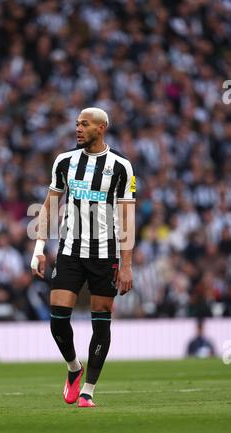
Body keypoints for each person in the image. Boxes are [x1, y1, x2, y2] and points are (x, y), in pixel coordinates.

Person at [31, 107, 136, 407]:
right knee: (58, 319)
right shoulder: (64, 162)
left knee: (101, 322)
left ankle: (88, 389)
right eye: (77, 123)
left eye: (85, 124)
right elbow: (49, 207)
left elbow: (127, 218)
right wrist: (39, 249)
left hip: (106, 254)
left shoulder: (121, 167)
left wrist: (126, 265)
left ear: (101, 128)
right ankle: (74, 368)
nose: (78, 128)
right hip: (70, 251)